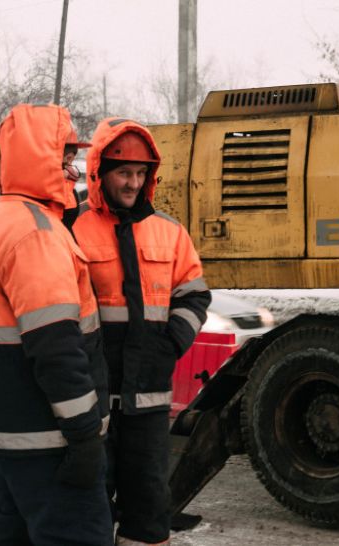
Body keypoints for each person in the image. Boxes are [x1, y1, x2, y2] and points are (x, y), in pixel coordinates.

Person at [0, 103, 112, 546]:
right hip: (52, 444)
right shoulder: (36, 234)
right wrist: (85, 436)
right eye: (65, 157)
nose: (74, 169)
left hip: (16, 439)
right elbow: (56, 348)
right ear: (39, 157)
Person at [73, 118, 211, 545]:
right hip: (92, 406)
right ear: (100, 172)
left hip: (148, 405)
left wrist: (170, 344)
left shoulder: (170, 232)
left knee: (150, 514)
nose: (133, 182)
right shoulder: (73, 228)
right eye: (123, 173)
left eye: (140, 173)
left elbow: (194, 295)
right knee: (88, 511)